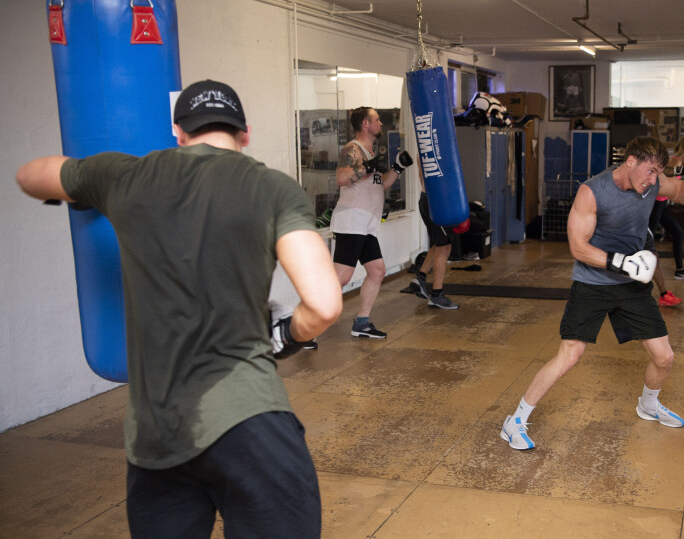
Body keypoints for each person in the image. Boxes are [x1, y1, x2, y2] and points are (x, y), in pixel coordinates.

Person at [16, 80, 343, 537]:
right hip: (247, 418)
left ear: (178, 131)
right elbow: (325, 304)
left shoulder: (124, 176)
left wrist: (81, 185)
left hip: (156, 436)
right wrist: (287, 336)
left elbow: (31, 175)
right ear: (244, 133)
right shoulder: (271, 187)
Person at [499, 136, 684, 450]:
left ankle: (648, 405)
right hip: (593, 283)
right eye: (648, 171)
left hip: (631, 287)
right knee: (570, 355)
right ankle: (516, 422)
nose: (651, 181)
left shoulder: (651, 183)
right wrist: (621, 263)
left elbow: (676, 189)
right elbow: (578, 247)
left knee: (664, 358)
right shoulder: (593, 192)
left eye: (656, 173)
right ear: (630, 161)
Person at [332, 106, 410, 338]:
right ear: (365, 124)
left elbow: (381, 183)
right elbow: (342, 178)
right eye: (376, 120)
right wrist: (367, 166)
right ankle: (305, 329)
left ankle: (362, 323)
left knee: (377, 270)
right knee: (342, 278)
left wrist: (397, 168)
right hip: (351, 221)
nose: (381, 123)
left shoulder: (369, 150)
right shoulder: (353, 149)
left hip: (366, 224)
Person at [408, 170, 460, 310]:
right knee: (444, 247)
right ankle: (436, 295)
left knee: (440, 244)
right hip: (437, 201)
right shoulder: (438, 147)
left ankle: (420, 278)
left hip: (428, 198)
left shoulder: (425, 149)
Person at [653, 136, 684, 281]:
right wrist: (683, 170)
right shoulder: (675, 161)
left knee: (678, 232)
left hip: (662, 204)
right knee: (647, 239)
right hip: (655, 205)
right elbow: (666, 172)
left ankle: (680, 270)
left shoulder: (678, 162)